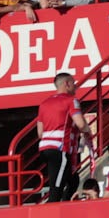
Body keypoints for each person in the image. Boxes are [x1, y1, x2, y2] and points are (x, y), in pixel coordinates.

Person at [35, 73, 89, 203]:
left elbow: (40, 133)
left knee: (73, 179)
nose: (76, 87)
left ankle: (65, 205)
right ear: (67, 84)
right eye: (74, 84)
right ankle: (52, 215)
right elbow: (81, 124)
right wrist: (87, 131)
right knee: (56, 188)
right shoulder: (71, 100)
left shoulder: (44, 104)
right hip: (60, 149)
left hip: (45, 149)